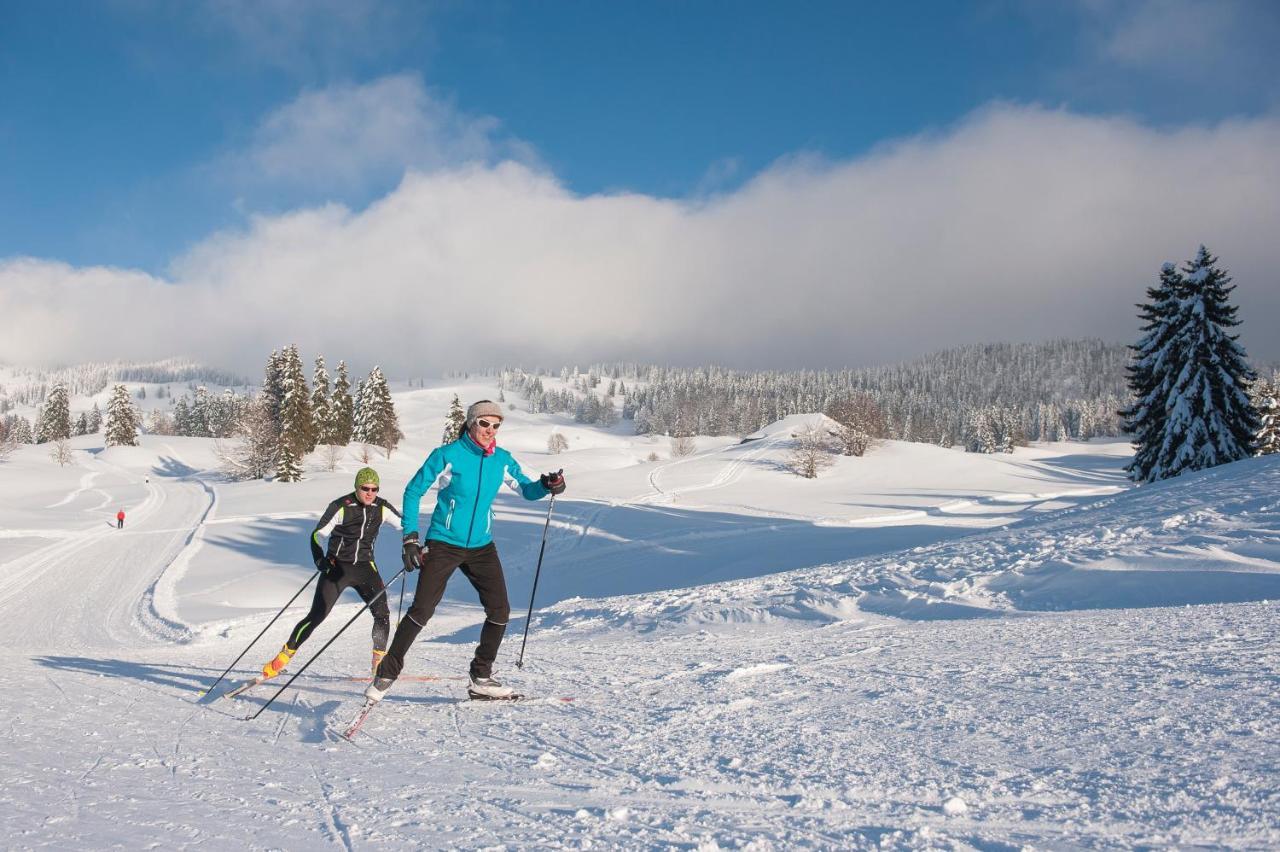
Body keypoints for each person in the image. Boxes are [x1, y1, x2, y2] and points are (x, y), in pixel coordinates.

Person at [366, 400, 565, 702]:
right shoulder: (448, 455)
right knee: (422, 611)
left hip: (481, 546)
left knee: (500, 611)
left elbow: (526, 489)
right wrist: (410, 538)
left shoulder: (502, 459)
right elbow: (413, 491)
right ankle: (387, 673)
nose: (490, 430)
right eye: (485, 423)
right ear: (472, 423)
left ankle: (481, 678)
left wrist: (548, 484)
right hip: (444, 542)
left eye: (496, 425)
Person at [259, 467, 403, 681]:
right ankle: (284, 655)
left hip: (365, 567)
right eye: (365, 488)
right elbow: (317, 535)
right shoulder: (340, 506)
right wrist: (320, 559)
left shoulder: (382, 507)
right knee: (317, 616)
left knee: (382, 614)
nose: (370, 493)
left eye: (374, 489)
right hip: (337, 567)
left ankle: (378, 663)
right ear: (357, 487)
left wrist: (415, 544)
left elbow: (406, 526)